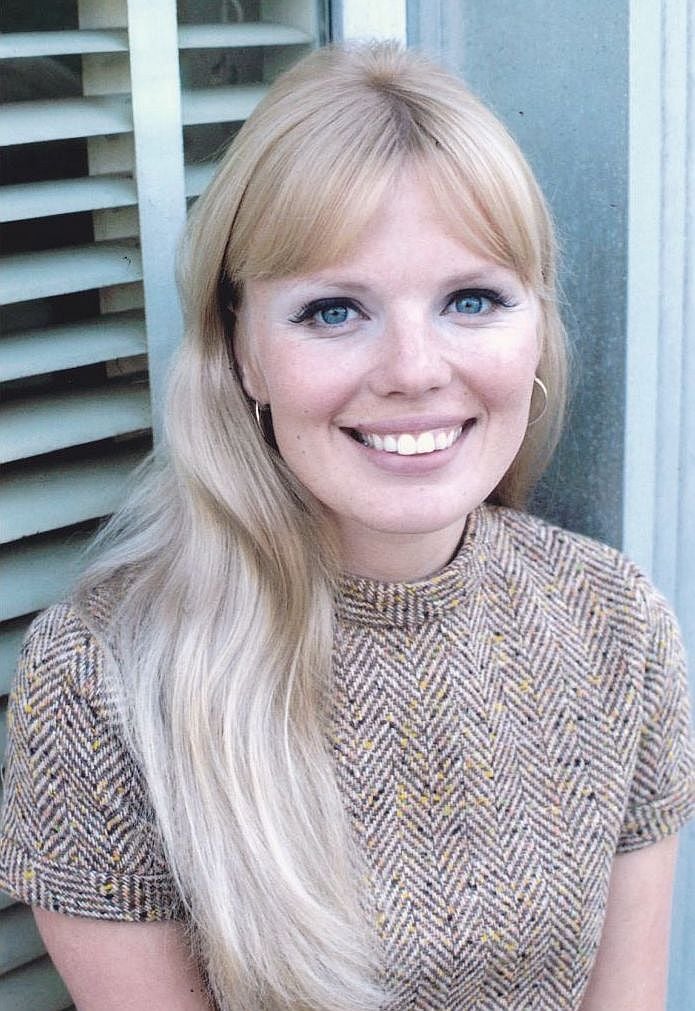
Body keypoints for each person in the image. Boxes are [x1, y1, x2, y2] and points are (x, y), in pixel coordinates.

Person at [1, 42, 693, 1011]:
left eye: (470, 299)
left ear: (535, 326)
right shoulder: (103, 679)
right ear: (242, 352)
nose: (413, 370)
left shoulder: (614, 622)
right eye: (332, 311)